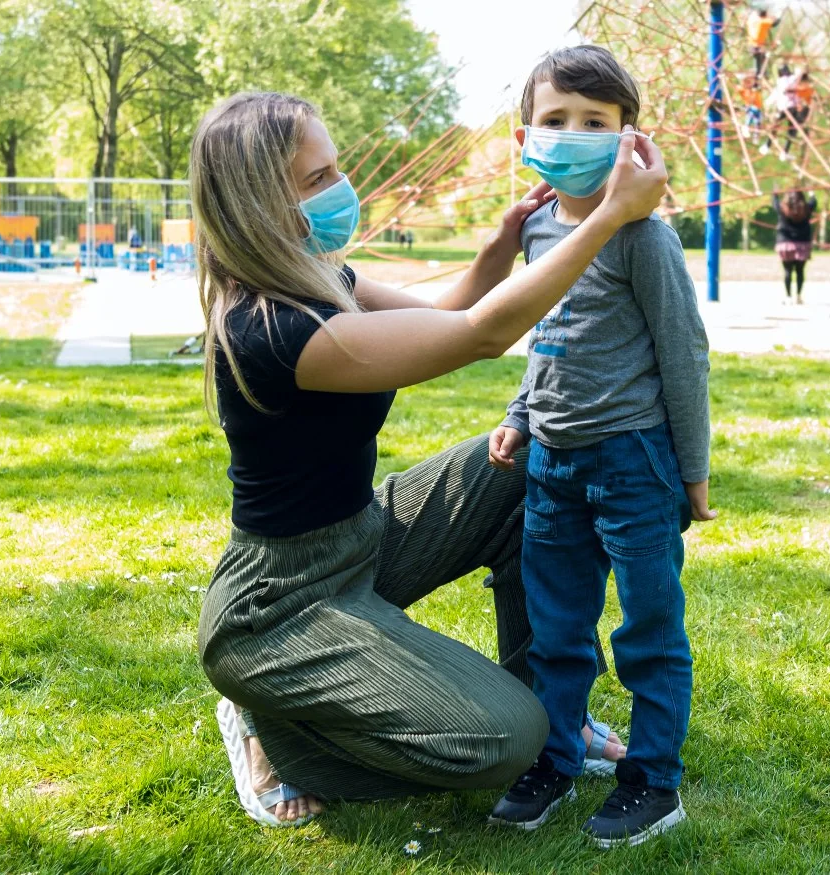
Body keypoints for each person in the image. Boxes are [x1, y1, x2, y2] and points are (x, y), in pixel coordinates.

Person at [191, 90, 667, 829]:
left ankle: (557, 704)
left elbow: (446, 309)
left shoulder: (319, 275)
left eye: (334, 169)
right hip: (278, 603)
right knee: (502, 740)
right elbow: (478, 336)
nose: (339, 189)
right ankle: (278, 731)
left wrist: (500, 245)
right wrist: (609, 216)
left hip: (361, 537)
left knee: (525, 463)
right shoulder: (271, 327)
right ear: (259, 202)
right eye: (316, 180)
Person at [485, 45, 711, 849]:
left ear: (628, 139)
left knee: (648, 629)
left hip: (633, 462)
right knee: (556, 627)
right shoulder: (538, 228)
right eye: (556, 120)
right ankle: (555, 755)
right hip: (552, 462)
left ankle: (653, 779)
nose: (572, 133)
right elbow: (546, 336)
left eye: (595, 122)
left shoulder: (644, 238)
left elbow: (683, 353)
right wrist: (521, 410)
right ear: (525, 136)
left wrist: (693, 470)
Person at [774, 188, 818, 304]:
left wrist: (775, 193)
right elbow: (814, 202)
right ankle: (798, 296)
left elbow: (775, 203)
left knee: (787, 271)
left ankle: (788, 297)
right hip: (802, 244)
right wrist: (811, 193)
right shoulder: (806, 209)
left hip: (786, 244)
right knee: (800, 271)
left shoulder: (783, 209)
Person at [747, 7, 775, 77]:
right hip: (757, 46)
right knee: (761, 62)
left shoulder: (752, 20)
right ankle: (760, 76)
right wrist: (772, 16)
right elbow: (775, 22)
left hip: (751, 44)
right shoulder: (763, 22)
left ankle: (760, 76)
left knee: (760, 61)